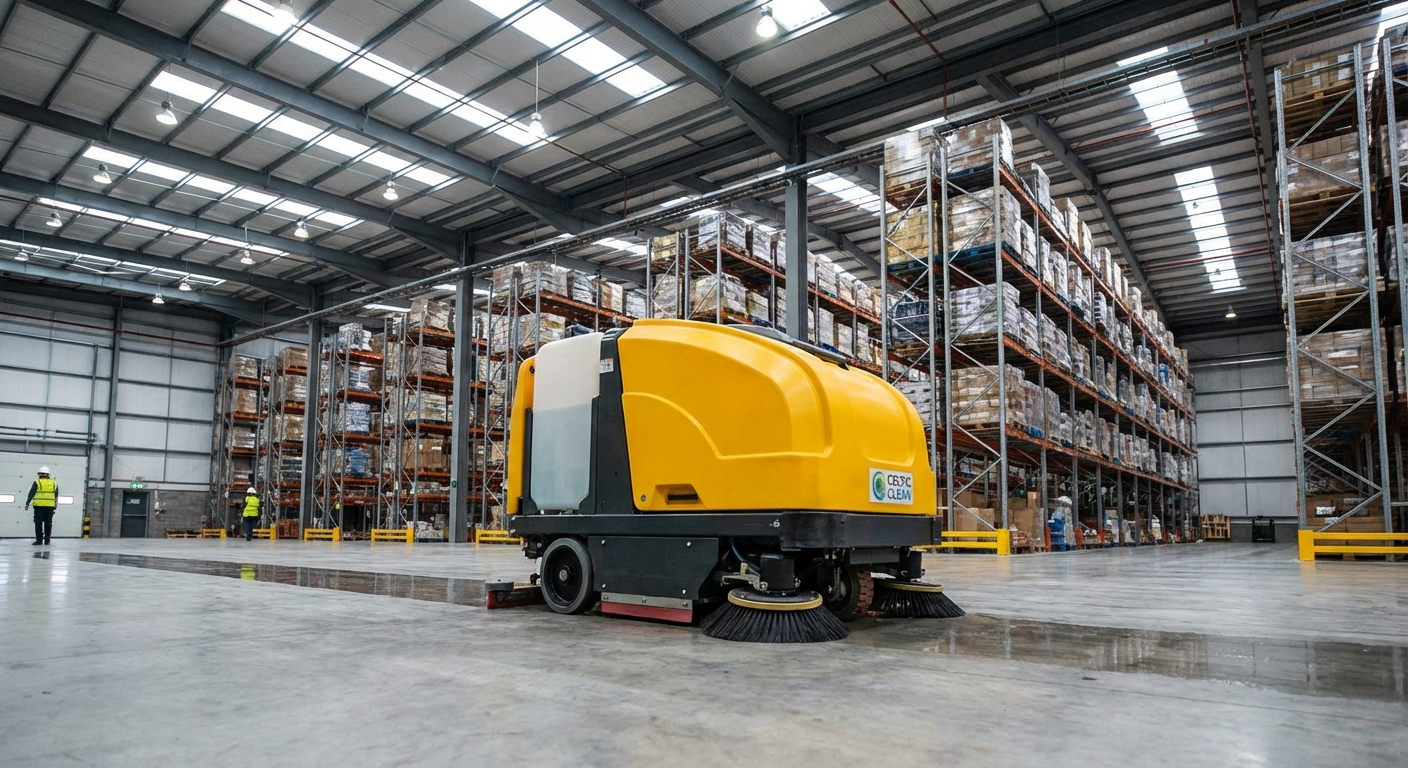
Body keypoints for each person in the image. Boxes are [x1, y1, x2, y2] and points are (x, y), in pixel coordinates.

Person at [24, 467, 58, 546]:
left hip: (39, 506)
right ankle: (47, 540)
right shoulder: (54, 483)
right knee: (48, 523)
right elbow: (56, 495)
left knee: (38, 523)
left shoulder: (37, 482)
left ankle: (39, 540)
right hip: (49, 506)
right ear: (48, 474)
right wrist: (55, 505)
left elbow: (31, 493)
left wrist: (27, 503)